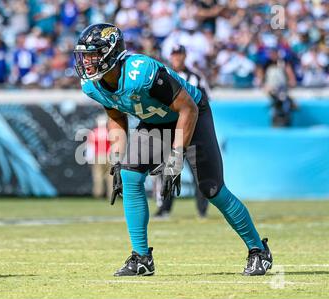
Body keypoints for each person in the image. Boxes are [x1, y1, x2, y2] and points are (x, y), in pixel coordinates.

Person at [74, 23, 273, 277]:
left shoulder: (140, 71)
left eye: (93, 54)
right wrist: (117, 155)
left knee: (211, 188)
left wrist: (176, 157)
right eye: (85, 55)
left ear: (112, 53)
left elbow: (187, 108)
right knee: (129, 174)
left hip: (191, 112)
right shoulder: (93, 85)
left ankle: (258, 250)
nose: (87, 61)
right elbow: (115, 115)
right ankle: (141, 258)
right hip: (156, 121)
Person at [154, 45, 209, 219]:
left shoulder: (196, 77)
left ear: (185, 56)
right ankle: (164, 208)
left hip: (191, 130)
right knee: (168, 170)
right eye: (174, 55)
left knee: (198, 173)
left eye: (180, 55)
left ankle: (202, 210)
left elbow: (204, 102)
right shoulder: (164, 75)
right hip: (170, 130)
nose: (177, 58)